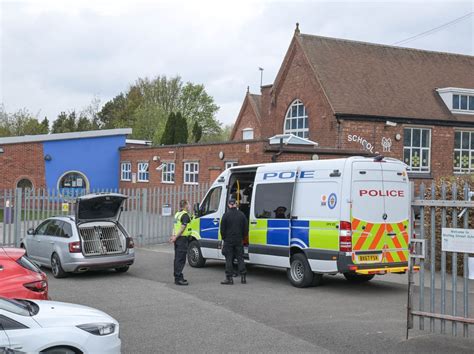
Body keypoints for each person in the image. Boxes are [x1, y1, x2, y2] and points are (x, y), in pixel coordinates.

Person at [220, 197, 248, 285]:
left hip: (228, 240)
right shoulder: (242, 215)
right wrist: (242, 237)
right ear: (236, 204)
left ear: (229, 205)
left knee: (229, 259)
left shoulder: (226, 215)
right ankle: (243, 277)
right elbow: (246, 229)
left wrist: (224, 238)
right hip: (239, 239)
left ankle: (229, 278)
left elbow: (222, 230)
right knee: (240, 258)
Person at [169, 199, 192, 286]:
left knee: (177, 258)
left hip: (178, 239)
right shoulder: (185, 215)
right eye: (189, 204)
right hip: (182, 239)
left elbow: (175, 227)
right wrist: (175, 237)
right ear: (185, 205)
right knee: (181, 259)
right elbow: (182, 228)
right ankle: (178, 278)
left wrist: (173, 236)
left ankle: (178, 276)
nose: (190, 206)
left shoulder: (177, 214)